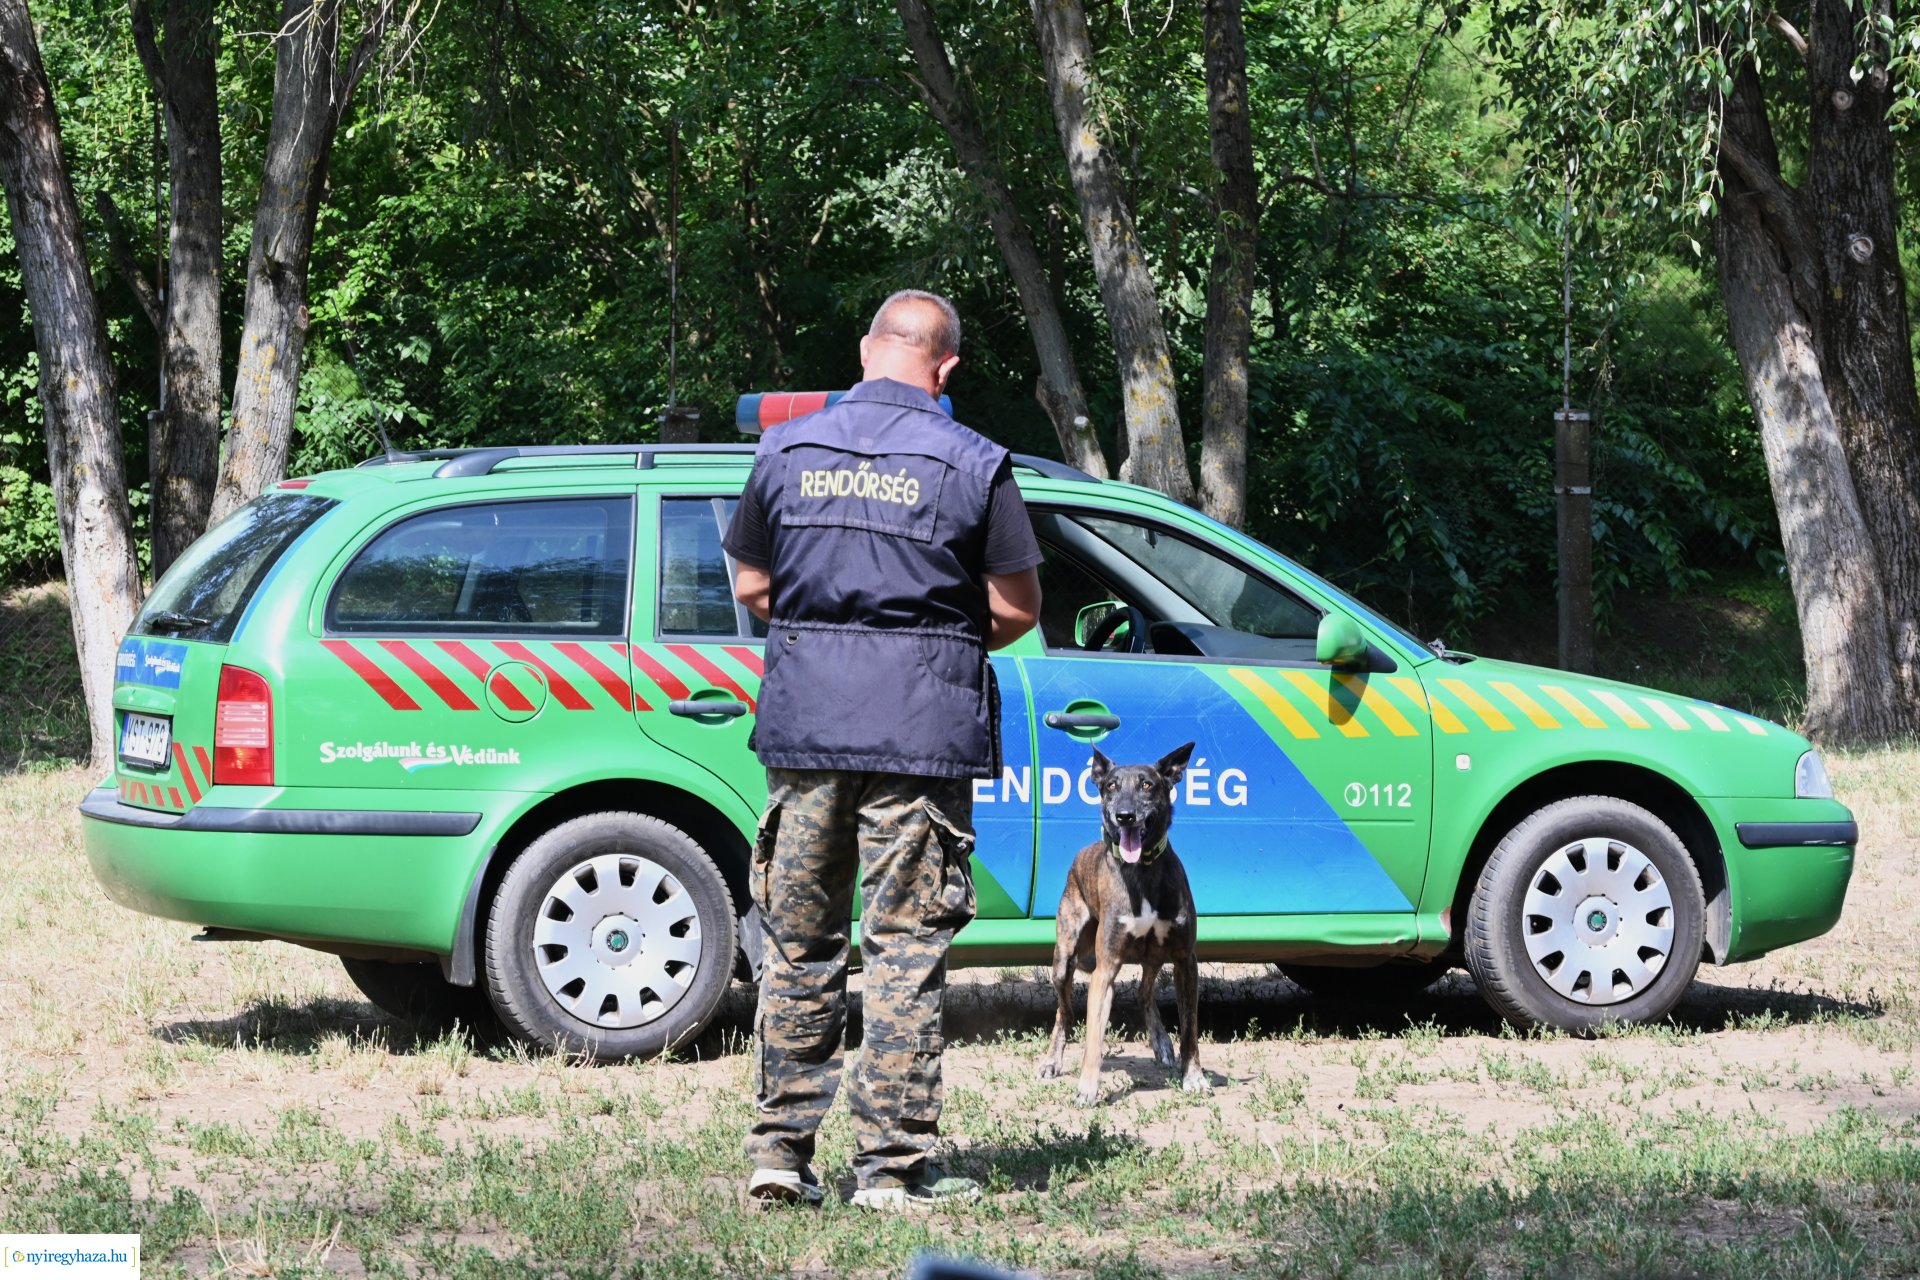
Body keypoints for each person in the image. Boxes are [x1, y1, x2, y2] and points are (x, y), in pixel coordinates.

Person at [724, 289, 1043, 1212]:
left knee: (798, 943)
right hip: (919, 734)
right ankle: (893, 1170)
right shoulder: (975, 461)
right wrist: (928, 625)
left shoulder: (783, 449)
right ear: (946, 369)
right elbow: (1018, 608)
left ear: (868, 351)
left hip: (808, 725)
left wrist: (827, 625)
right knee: (903, 949)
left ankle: (780, 1155)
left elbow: (751, 582)